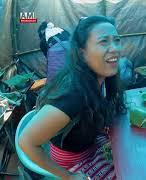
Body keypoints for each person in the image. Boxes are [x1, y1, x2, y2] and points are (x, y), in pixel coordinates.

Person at [19, 16, 126, 179]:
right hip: (72, 161)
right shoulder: (73, 95)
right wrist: (68, 176)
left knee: (129, 156)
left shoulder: (103, 78)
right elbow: (26, 142)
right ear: (83, 53)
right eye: (104, 42)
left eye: (117, 40)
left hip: (91, 143)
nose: (114, 48)